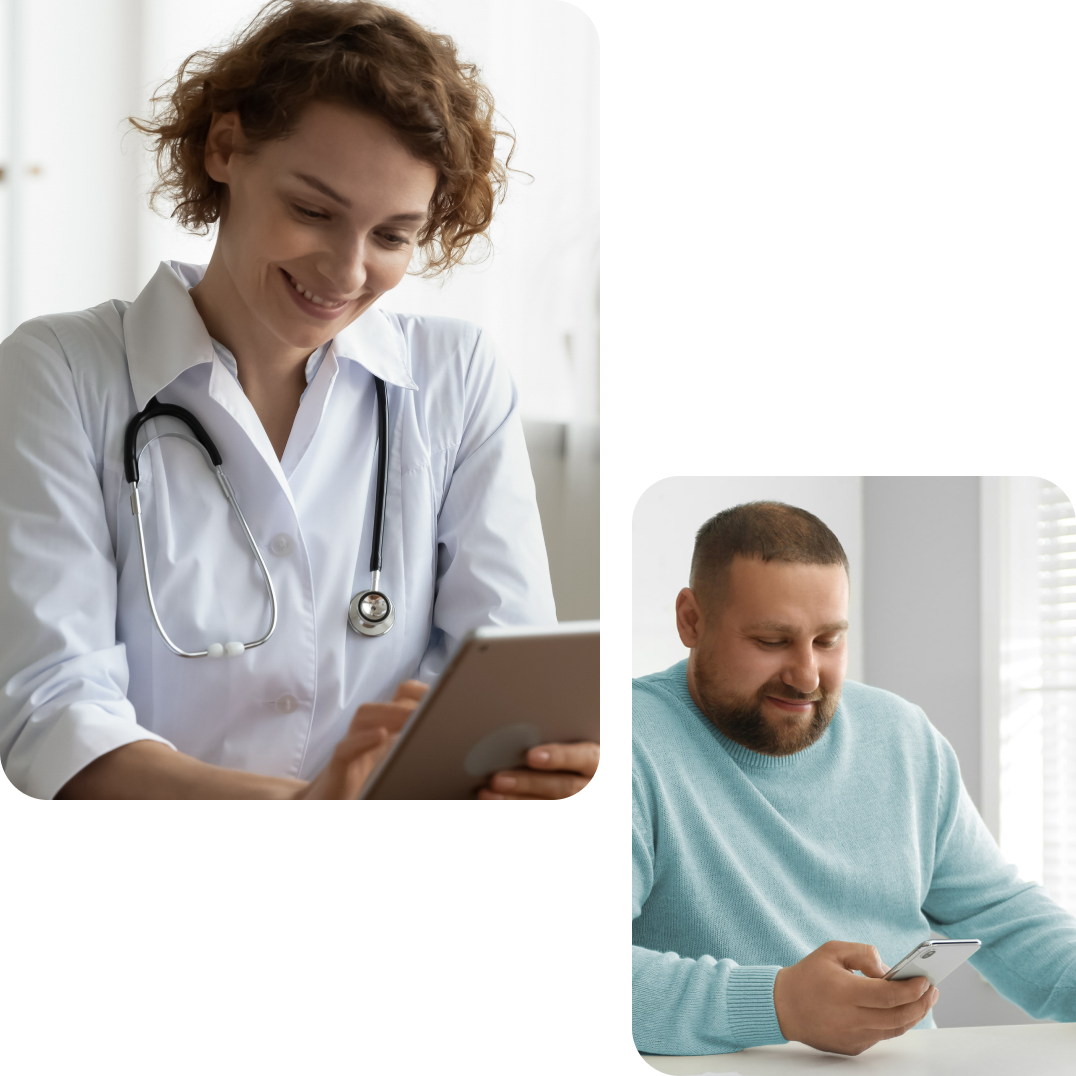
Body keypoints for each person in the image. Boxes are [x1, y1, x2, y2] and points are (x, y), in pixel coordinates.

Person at [0, 0, 598, 800]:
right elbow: (51, 712)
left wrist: (543, 766)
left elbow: (499, 677)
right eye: (313, 211)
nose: (348, 273)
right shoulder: (60, 372)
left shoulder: (457, 374)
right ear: (224, 147)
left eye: (392, 236)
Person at [632, 501, 1076, 1056]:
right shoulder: (625, 744)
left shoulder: (901, 736)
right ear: (691, 620)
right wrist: (778, 1003)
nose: (806, 676)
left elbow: (1002, 913)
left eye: (828, 640)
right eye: (772, 641)